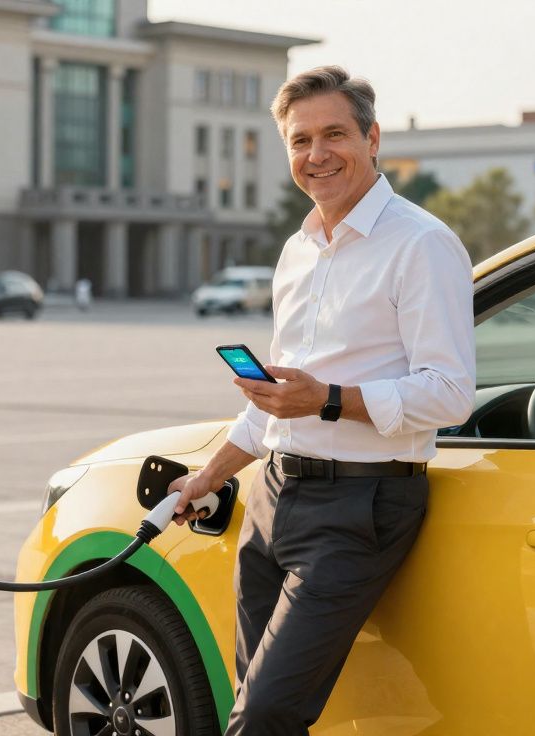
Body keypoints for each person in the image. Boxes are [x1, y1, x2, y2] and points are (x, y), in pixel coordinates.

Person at [169, 66, 475, 735]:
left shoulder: (421, 244)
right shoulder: (297, 251)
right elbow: (278, 404)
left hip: (360, 507)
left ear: (372, 138)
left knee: (266, 714)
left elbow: (451, 394)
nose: (317, 154)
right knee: (256, 697)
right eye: (300, 140)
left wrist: (328, 400)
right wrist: (208, 477)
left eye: (334, 133)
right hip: (273, 498)